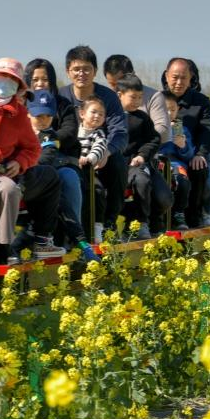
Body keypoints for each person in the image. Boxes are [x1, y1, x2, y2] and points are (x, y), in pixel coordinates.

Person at [0, 58, 64, 263]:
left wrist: (19, 162)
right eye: (2, 77)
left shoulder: (18, 113)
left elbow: (33, 148)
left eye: (12, 80)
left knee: (9, 189)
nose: (6, 82)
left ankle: (5, 248)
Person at [57, 46, 128, 233]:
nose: (82, 73)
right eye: (76, 69)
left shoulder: (108, 97)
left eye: (87, 69)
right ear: (68, 71)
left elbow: (120, 132)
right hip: (71, 157)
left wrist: (107, 151)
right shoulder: (60, 97)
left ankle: (110, 222)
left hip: (101, 155)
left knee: (119, 163)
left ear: (95, 71)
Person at [25, 59, 85, 251]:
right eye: (35, 79)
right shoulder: (21, 103)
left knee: (68, 178)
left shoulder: (63, 104)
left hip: (62, 158)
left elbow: (69, 132)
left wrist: (47, 138)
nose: (40, 84)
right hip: (31, 162)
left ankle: (73, 236)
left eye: (45, 79)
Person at [28, 89, 96, 259]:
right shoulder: (21, 131)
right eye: (38, 116)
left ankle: (78, 241)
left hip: (37, 179)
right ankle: (80, 242)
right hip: (20, 179)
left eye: (47, 116)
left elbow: (47, 156)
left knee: (61, 184)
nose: (43, 121)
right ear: (27, 114)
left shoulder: (49, 136)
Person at [160, 57, 210, 226]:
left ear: (191, 78)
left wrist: (201, 154)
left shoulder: (201, 102)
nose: (179, 82)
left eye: (183, 78)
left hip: (195, 154)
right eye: (175, 77)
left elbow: (208, 131)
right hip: (166, 157)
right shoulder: (157, 100)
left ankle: (207, 212)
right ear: (166, 76)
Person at [116, 75, 172, 237]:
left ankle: (147, 221)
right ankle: (136, 224)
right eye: (133, 97)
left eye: (140, 97)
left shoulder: (143, 118)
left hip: (138, 164)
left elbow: (153, 140)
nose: (137, 101)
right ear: (120, 95)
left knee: (161, 196)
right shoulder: (110, 116)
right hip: (116, 165)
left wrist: (142, 155)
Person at [103, 54, 170, 142]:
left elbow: (162, 130)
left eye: (121, 83)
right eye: (112, 84)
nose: (117, 88)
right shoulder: (105, 98)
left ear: (133, 74)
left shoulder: (153, 96)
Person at [158, 93, 194, 230]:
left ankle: (179, 213)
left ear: (178, 110)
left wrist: (183, 146)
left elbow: (189, 155)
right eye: (164, 109)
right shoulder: (153, 127)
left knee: (183, 180)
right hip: (158, 162)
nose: (169, 113)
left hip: (175, 163)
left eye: (172, 109)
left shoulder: (182, 129)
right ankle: (158, 215)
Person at [76, 98, 109, 242]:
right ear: (82, 113)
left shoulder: (99, 134)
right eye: (94, 112)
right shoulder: (74, 130)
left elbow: (100, 148)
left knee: (98, 190)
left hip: (88, 170)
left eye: (101, 114)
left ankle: (98, 225)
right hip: (73, 169)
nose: (97, 116)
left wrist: (89, 158)